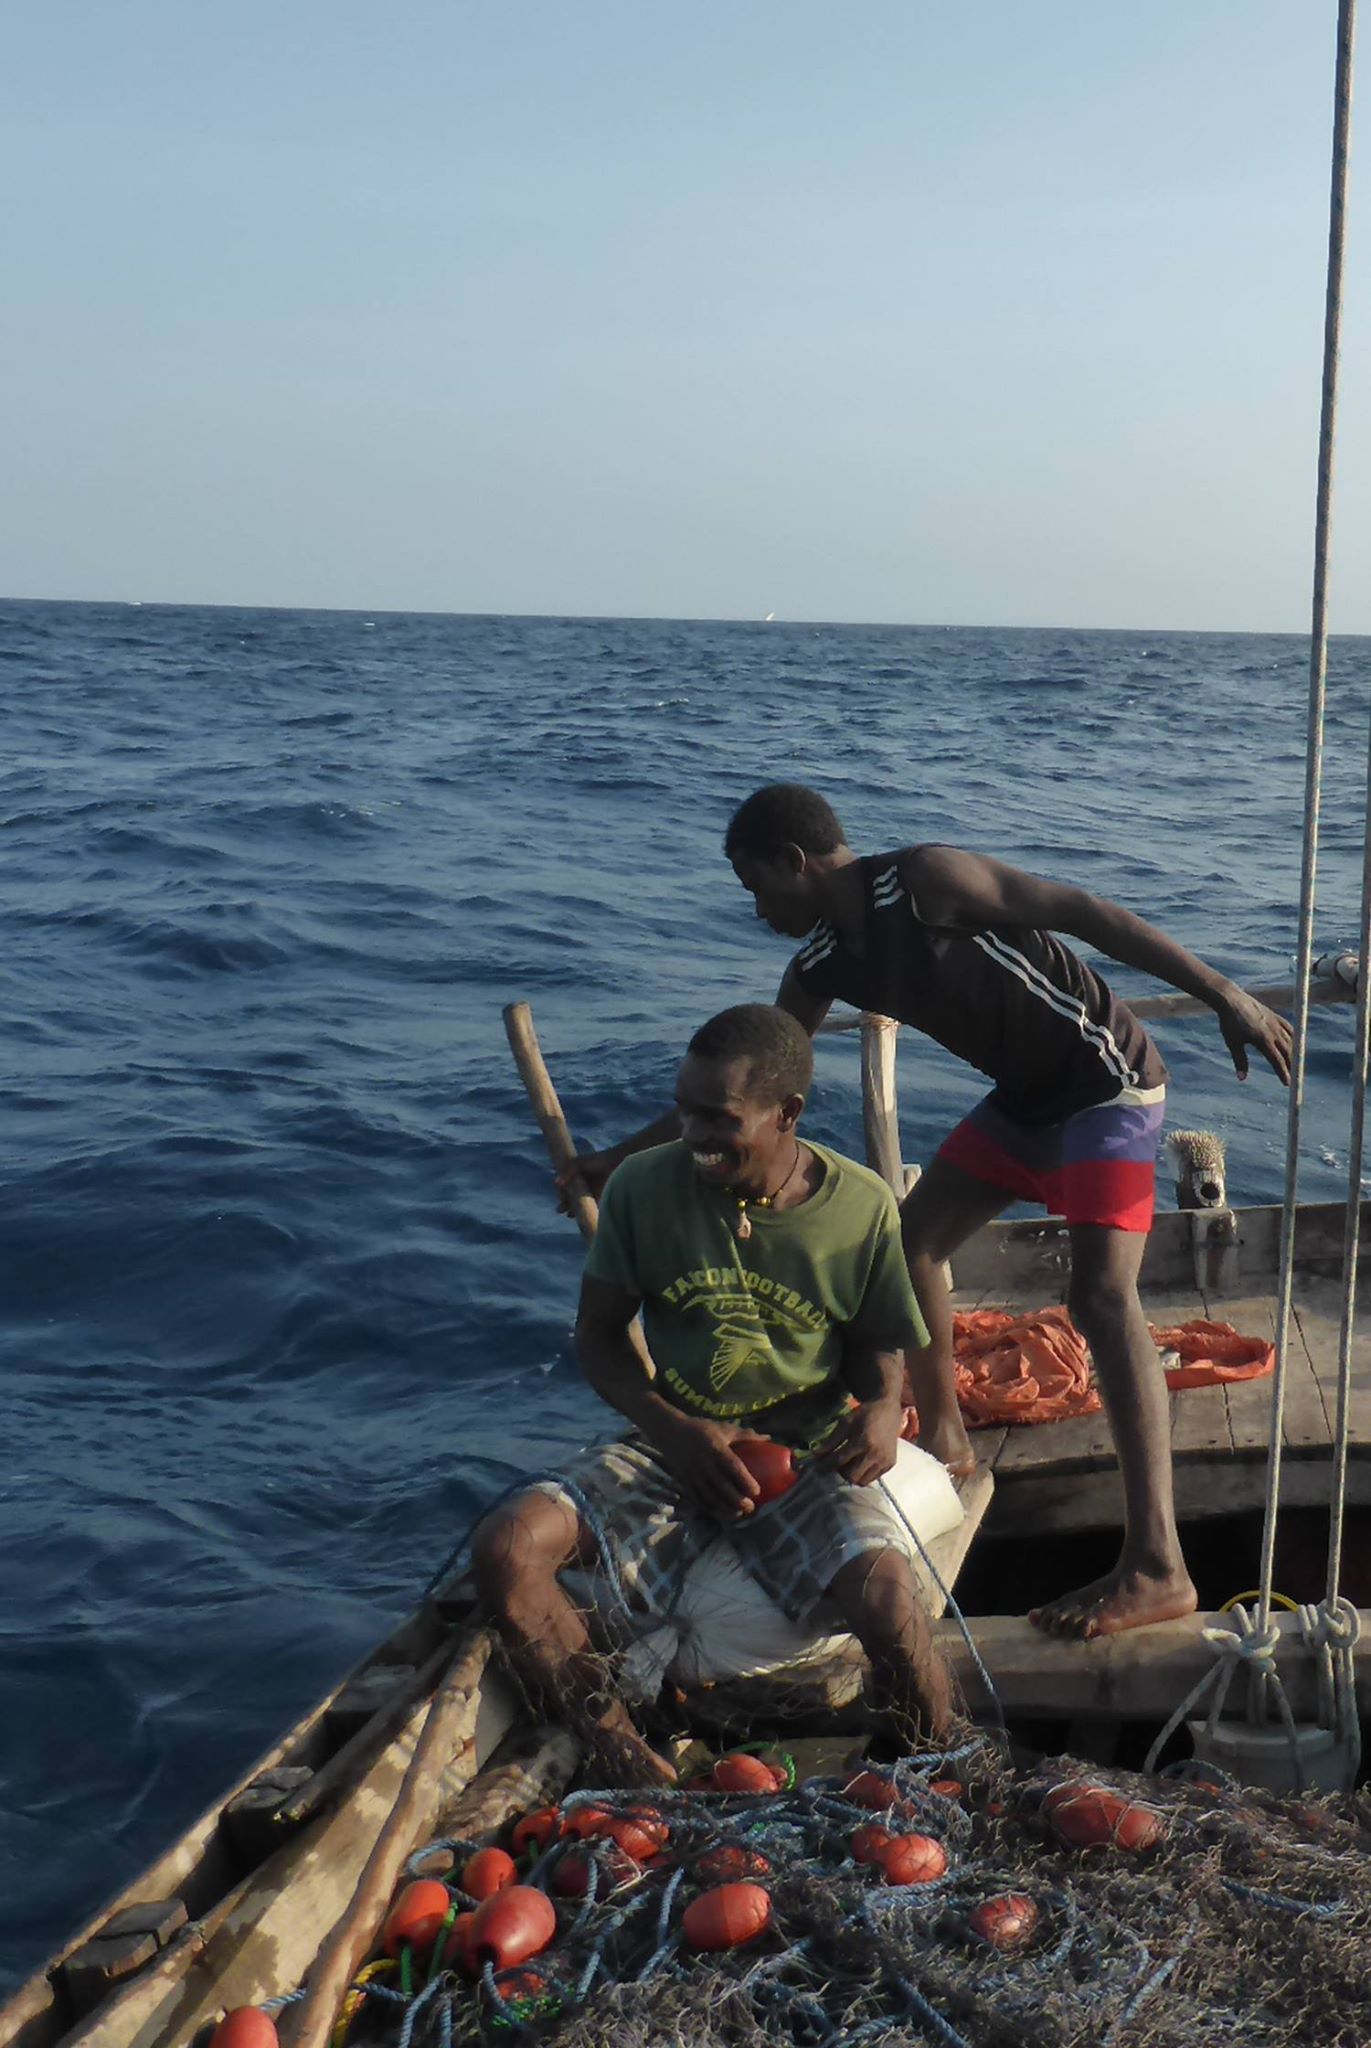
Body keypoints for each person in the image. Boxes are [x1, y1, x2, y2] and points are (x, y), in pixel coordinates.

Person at [566, 785, 1293, 1642]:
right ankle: (946, 1440)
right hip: (1024, 1101)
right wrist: (618, 1158)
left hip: (1106, 1086)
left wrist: (1225, 995)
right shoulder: (822, 962)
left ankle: (1156, 1566)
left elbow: (1086, 911)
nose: (756, 910)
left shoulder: (925, 880)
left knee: (1102, 1297)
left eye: (755, 886)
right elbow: (754, 1079)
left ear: (795, 863)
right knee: (912, 1246)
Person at [475, 1002, 954, 1783]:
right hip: (674, 1445)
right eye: (683, 1109)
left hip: (802, 1457)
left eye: (717, 1117)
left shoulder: (860, 1208)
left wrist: (874, 1413)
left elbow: (878, 1350)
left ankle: (935, 1776)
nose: (692, 1134)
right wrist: (672, 1431)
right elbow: (599, 1337)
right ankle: (627, 1759)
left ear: (785, 1114)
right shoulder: (641, 1188)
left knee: (891, 1603)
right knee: (506, 1547)